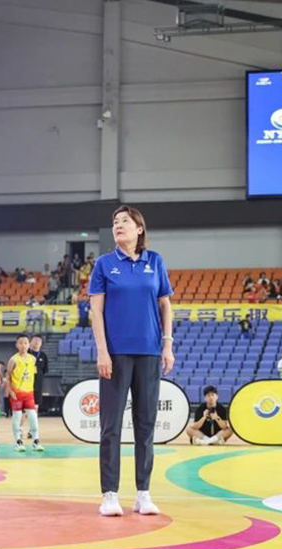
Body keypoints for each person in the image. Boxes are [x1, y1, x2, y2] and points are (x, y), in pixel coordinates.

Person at [89, 205, 174, 517]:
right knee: (110, 426)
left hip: (149, 352)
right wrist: (102, 351)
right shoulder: (104, 264)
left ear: (140, 229)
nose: (118, 225)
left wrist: (167, 344)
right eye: (115, 221)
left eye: (125, 221)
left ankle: (143, 493)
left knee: (146, 425)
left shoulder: (155, 261)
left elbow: (165, 305)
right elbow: (96, 310)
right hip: (115, 353)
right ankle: (110, 494)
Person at [6, 334, 43, 453]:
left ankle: (36, 440)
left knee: (33, 416)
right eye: (21, 343)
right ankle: (18, 441)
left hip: (29, 393)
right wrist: (10, 390)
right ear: (16, 345)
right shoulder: (13, 360)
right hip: (17, 393)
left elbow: (33, 375)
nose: (23, 345)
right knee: (17, 416)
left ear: (29, 345)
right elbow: (8, 376)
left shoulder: (33, 359)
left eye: (26, 343)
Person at [29, 335, 49, 414]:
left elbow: (45, 369)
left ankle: (34, 415)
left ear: (41, 344)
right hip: (27, 380)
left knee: (37, 400)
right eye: (35, 340)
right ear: (30, 342)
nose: (36, 342)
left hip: (38, 381)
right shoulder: (27, 353)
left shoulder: (43, 355)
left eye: (39, 341)